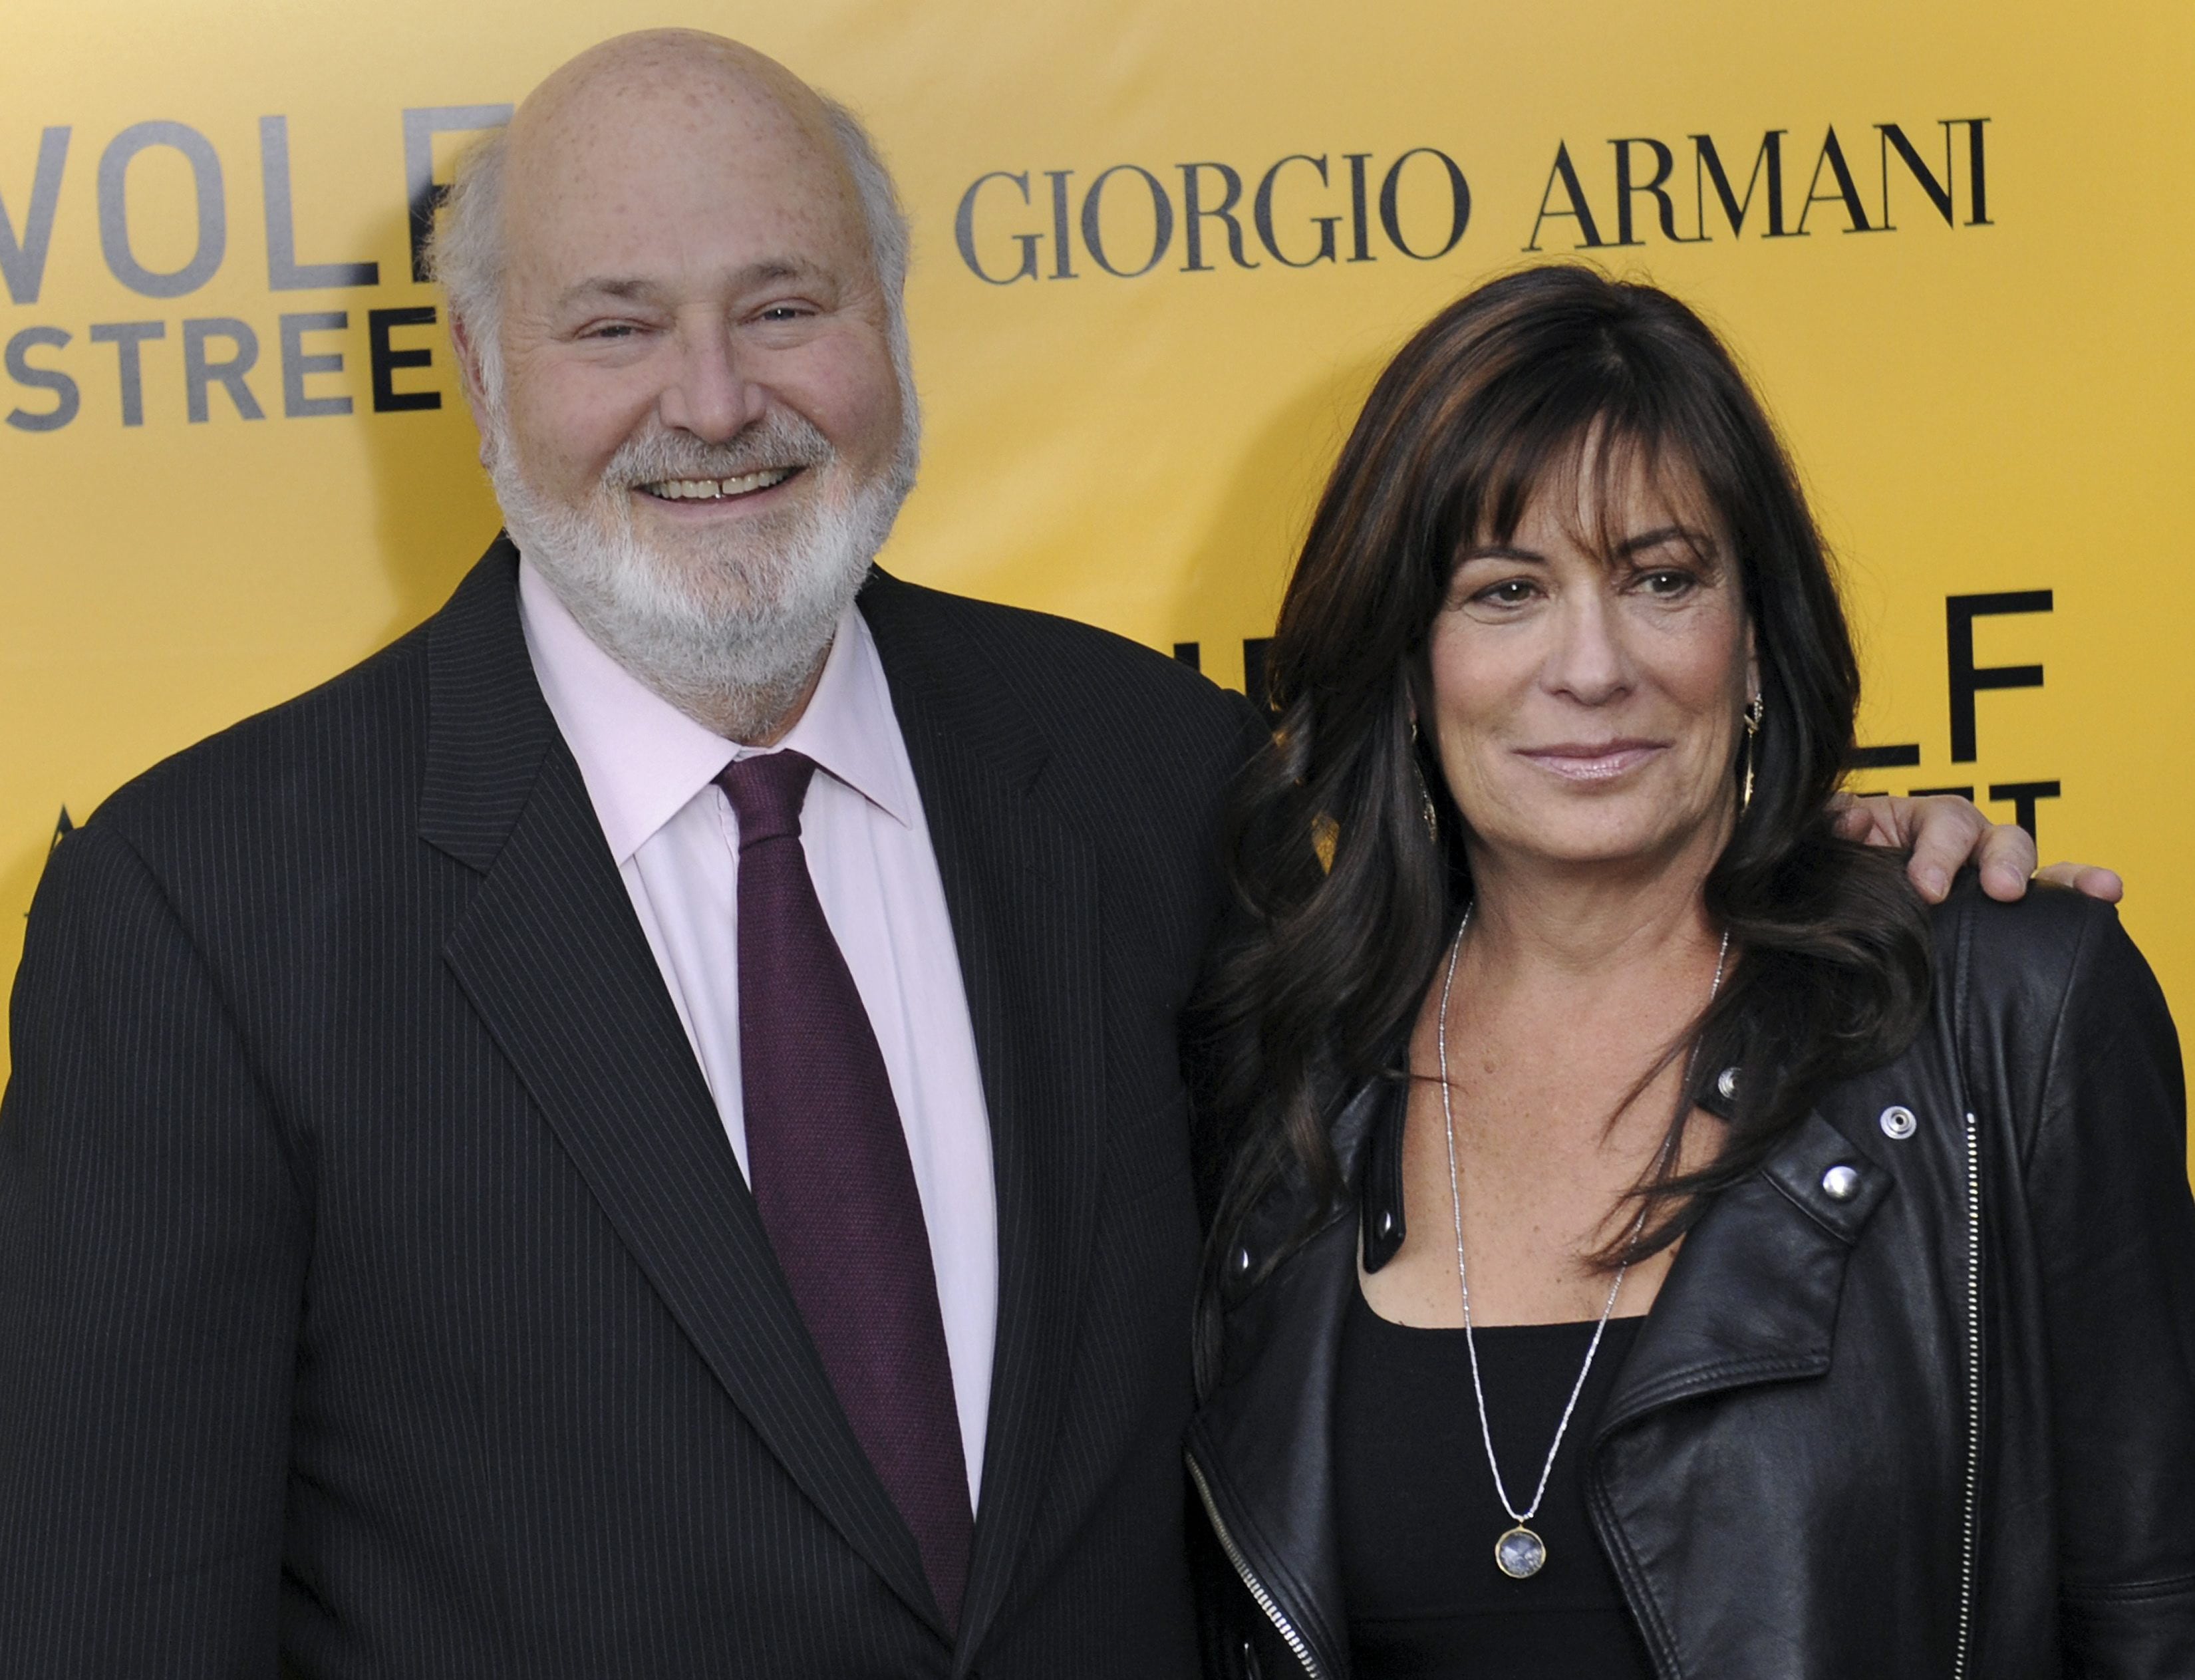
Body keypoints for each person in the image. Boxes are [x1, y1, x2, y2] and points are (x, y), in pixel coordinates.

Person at [0, 34, 2097, 1680]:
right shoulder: (199, 918)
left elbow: (1564, 958)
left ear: (892, 332)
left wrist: (1846, 876)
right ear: (474, 378)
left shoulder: (1152, 782)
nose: (714, 400)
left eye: (785, 303)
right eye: (616, 326)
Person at [1184, 264, 2195, 1680]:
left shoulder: (2007, 1009)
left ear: (1755, 632)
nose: (1592, 667)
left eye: (1662, 579)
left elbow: (2157, 1611)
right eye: (1506, 591)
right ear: (1408, 666)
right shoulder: (1279, 1069)